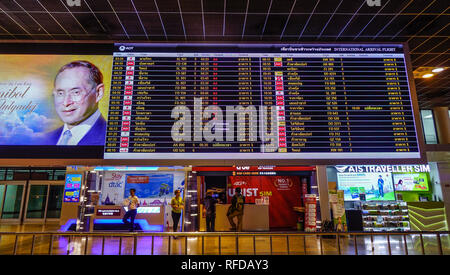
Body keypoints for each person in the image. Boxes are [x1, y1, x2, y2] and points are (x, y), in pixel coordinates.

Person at [43, 60, 106, 145]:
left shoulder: (112, 140)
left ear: (99, 93)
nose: (66, 103)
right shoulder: (46, 139)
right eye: (60, 93)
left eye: (76, 92)